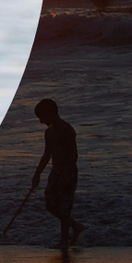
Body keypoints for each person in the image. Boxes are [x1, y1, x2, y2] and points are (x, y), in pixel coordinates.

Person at [31, 98, 84, 249]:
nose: (41, 121)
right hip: (56, 171)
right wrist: (37, 174)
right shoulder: (49, 133)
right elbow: (47, 155)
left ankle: (64, 242)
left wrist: (67, 174)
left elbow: (74, 155)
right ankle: (76, 226)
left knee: (64, 207)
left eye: (41, 117)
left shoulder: (67, 130)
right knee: (50, 203)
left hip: (68, 171)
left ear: (49, 114)